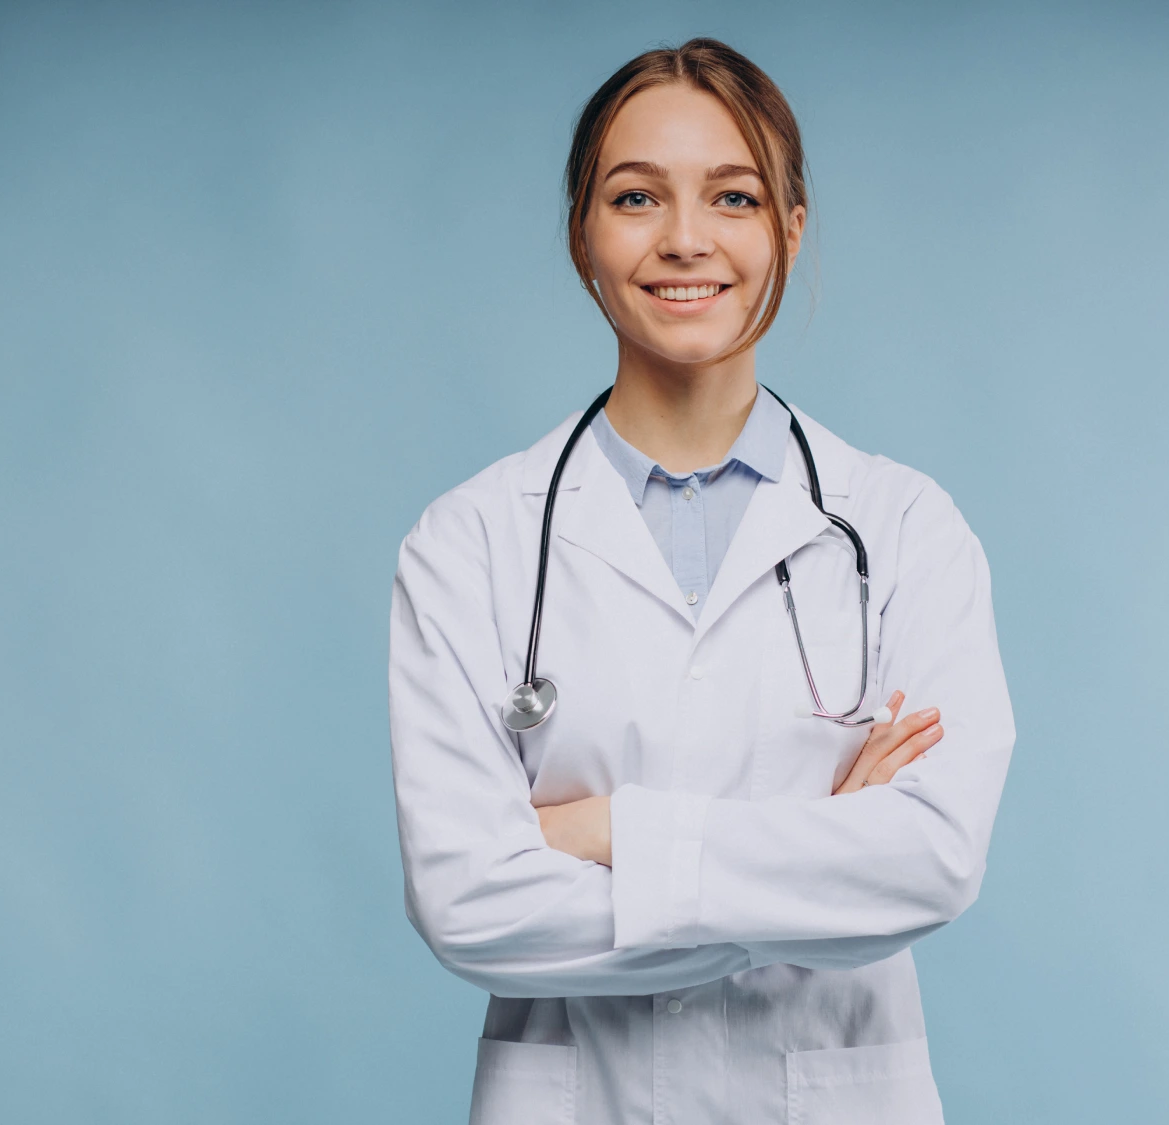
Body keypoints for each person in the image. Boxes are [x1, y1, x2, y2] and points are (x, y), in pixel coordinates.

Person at [389, 38, 1015, 1125]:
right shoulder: (470, 543)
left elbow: (929, 861)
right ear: (582, 233)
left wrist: (600, 833)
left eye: (733, 196)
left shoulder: (906, 529)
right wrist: (819, 849)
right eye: (635, 197)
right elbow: (465, 903)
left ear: (790, 228)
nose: (685, 240)